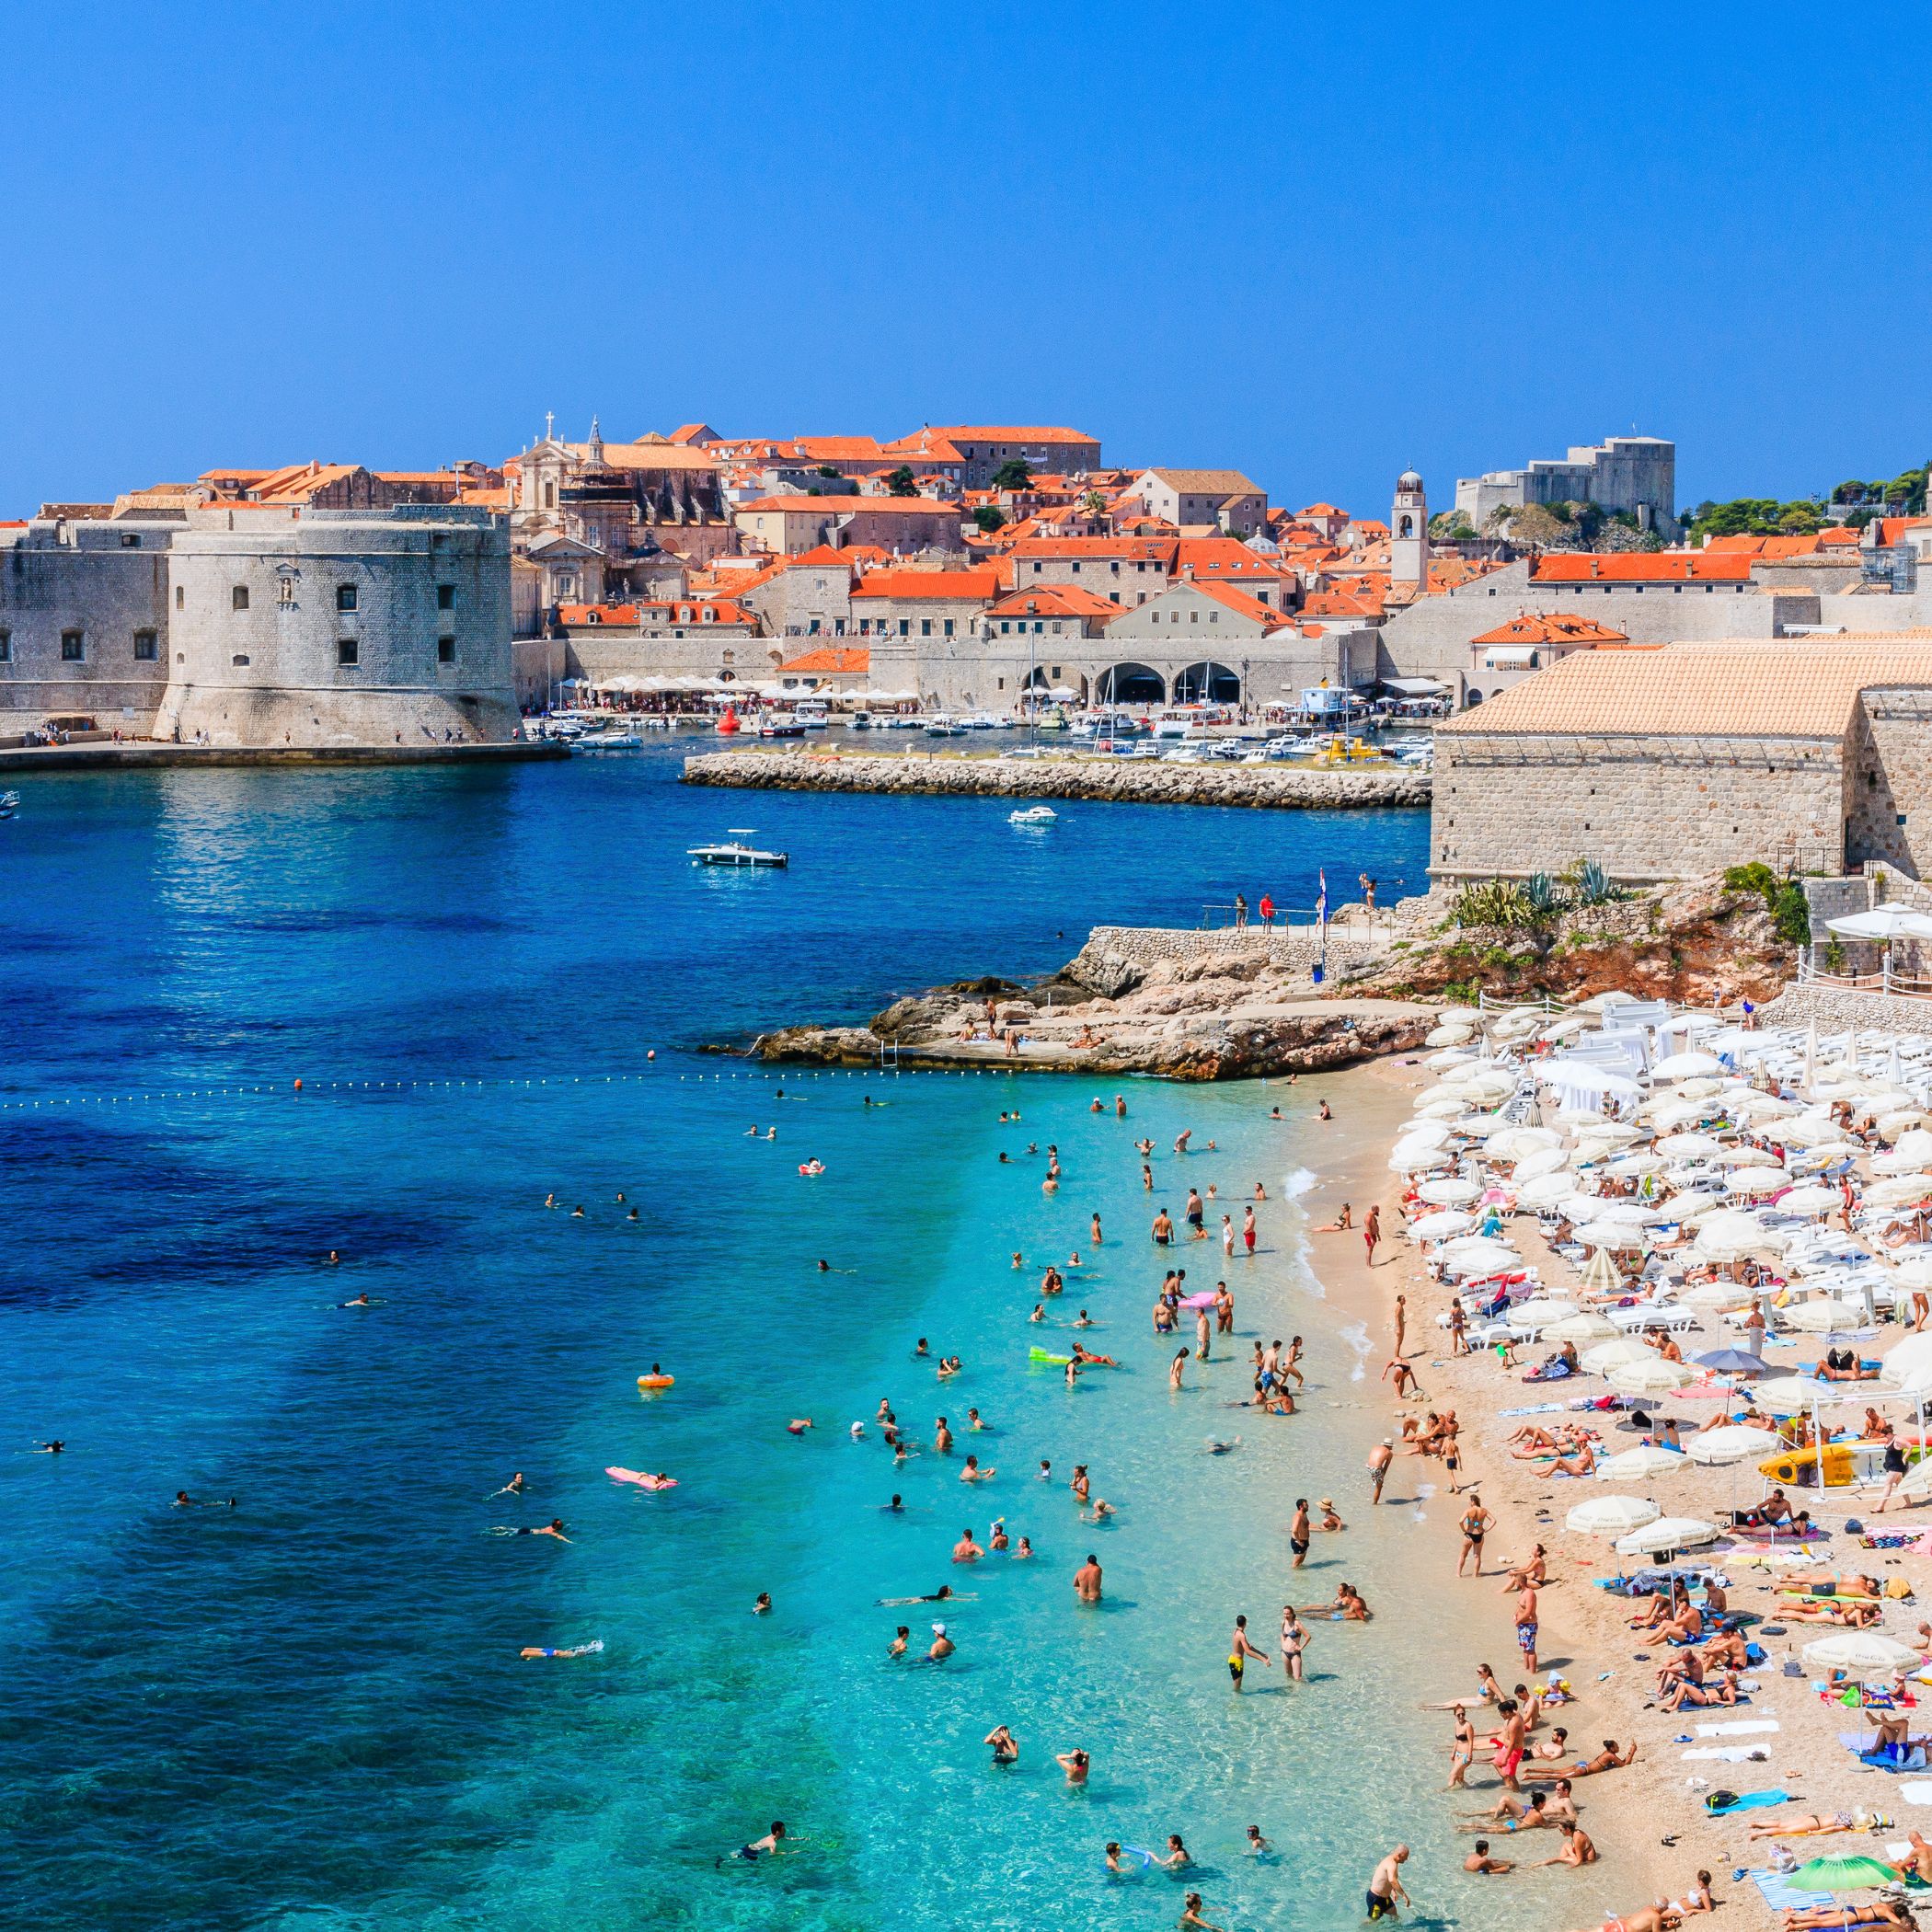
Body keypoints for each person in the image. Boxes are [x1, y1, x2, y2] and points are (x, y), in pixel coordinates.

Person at [1366, 1845, 1409, 1921]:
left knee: (1394, 1914)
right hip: (1376, 1899)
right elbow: (1392, 1880)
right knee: (1371, 1922)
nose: (1406, 1859)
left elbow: (1385, 1878)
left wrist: (1393, 1891)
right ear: (1399, 1855)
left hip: (1385, 1898)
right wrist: (1404, 1895)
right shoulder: (1391, 1863)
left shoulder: (1392, 1861)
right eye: (1405, 1856)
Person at [1228, 1614, 1271, 1689]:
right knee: (1237, 1688)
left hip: (1232, 1659)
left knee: (1237, 1686)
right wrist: (1263, 1660)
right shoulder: (1241, 1635)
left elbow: (1248, 1646)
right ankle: (1235, 1700)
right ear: (1245, 1623)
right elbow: (1247, 1652)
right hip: (1237, 1663)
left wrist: (1262, 1654)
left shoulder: (1235, 1631)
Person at [1458, 1497, 1494, 1578]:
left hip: (1469, 1535)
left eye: (1469, 1501)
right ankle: (1475, 1575)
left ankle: (1458, 1575)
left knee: (1463, 1555)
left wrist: (1463, 1529)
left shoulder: (1468, 1510)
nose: (1469, 1502)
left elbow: (1460, 1521)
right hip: (1479, 1535)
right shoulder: (1484, 1510)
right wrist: (1487, 1530)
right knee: (1477, 1556)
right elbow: (1494, 1520)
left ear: (1473, 1501)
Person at [1368, 1438, 1393, 1503]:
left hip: (1368, 1466)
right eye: (1391, 1446)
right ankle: (1375, 1504)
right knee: (1379, 1487)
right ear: (1389, 1446)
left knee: (1377, 1479)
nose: (1392, 1447)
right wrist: (1382, 1477)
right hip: (1376, 1469)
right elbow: (1386, 1467)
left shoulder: (1375, 1448)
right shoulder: (1389, 1453)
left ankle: (1375, 1480)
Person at [1290, 1498, 1312, 1569]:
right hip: (1299, 1542)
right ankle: (1295, 1577)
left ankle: (1301, 1577)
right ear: (1301, 1506)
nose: (1308, 1506)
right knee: (1295, 1565)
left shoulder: (1304, 1514)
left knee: (1300, 1563)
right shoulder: (1298, 1516)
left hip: (1305, 1541)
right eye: (1306, 1505)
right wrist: (1299, 1542)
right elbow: (1294, 1530)